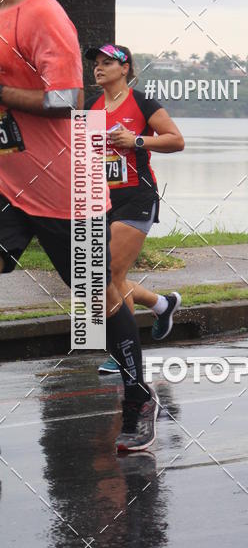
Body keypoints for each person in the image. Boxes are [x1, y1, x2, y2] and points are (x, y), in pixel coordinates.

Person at [0, 0, 157, 451]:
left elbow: (67, 101)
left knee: (98, 301)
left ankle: (138, 397)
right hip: (7, 184)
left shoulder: (44, 16)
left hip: (68, 189)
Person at [83, 44, 184, 373]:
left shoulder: (142, 103)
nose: (99, 68)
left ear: (125, 68)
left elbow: (176, 140)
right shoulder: (91, 107)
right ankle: (161, 304)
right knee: (109, 277)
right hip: (103, 199)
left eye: (107, 62)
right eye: (96, 63)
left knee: (110, 274)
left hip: (137, 197)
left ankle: (124, 351)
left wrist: (138, 140)